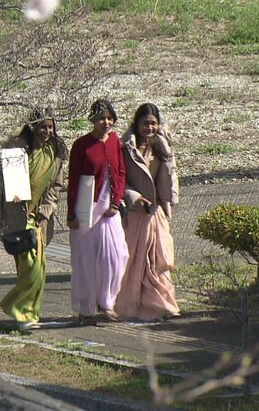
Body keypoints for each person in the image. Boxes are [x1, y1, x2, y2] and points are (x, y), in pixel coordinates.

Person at [0, 107, 68, 331]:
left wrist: (46, 209)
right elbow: (0, 175)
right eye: (42, 126)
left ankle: (26, 313)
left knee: (39, 268)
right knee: (28, 267)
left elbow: (56, 186)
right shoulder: (17, 149)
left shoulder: (56, 152)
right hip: (17, 216)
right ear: (33, 127)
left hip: (40, 217)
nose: (47, 131)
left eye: (50, 127)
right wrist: (12, 192)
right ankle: (19, 309)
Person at [115, 103, 180, 321]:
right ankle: (130, 306)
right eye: (145, 123)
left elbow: (170, 180)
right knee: (134, 262)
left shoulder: (162, 148)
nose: (149, 128)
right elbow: (118, 180)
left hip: (156, 213)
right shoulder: (126, 148)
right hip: (135, 215)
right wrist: (133, 197)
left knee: (158, 261)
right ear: (137, 123)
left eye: (153, 123)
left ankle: (162, 305)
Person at [66, 99, 128, 326]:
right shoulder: (81, 145)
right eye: (102, 118)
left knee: (117, 255)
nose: (106, 122)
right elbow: (73, 179)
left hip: (110, 208)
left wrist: (117, 201)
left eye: (110, 118)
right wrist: (72, 213)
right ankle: (86, 310)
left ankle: (107, 302)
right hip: (86, 205)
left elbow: (121, 172)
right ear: (92, 120)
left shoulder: (115, 141)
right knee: (86, 261)